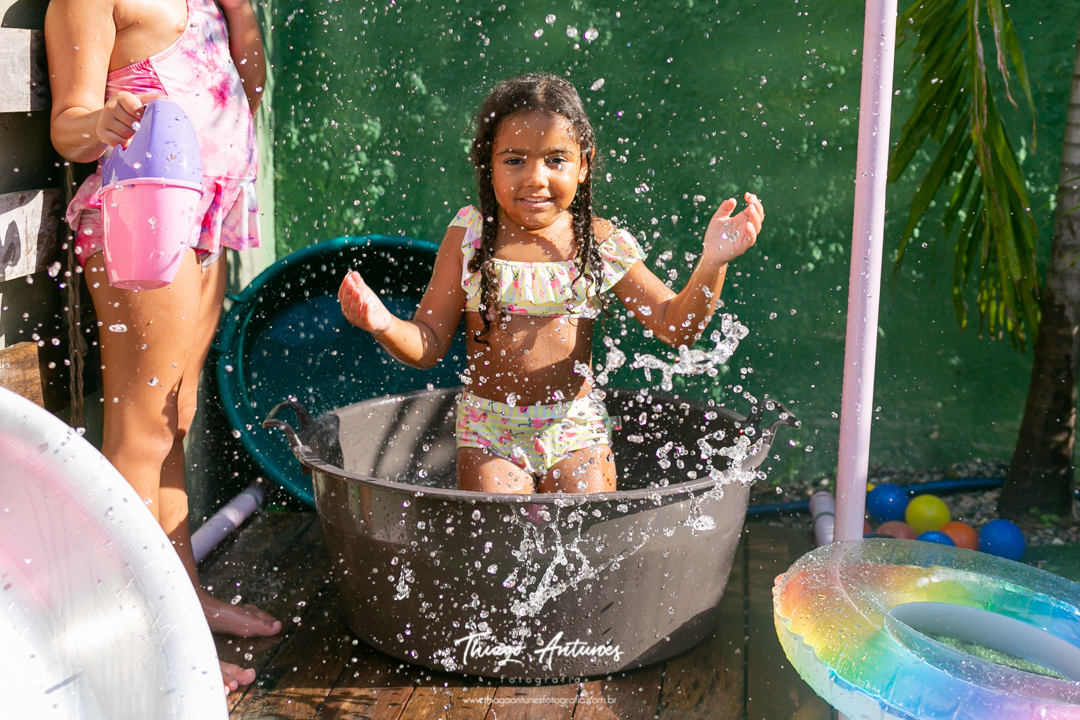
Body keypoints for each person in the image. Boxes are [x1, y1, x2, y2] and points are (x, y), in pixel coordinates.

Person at [339, 73, 764, 495]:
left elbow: (677, 327)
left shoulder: (598, 243)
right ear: (488, 165)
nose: (535, 178)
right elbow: (429, 342)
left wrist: (712, 262)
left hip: (575, 426)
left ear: (584, 166)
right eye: (514, 160)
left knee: (589, 544)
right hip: (491, 430)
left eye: (556, 160)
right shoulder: (469, 237)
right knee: (500, 543)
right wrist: (383, 323)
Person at [45, 0, 281, 694]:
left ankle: (182, 598)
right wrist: (101, 122)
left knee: (171, 420)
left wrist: (242, 16)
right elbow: (69, 125)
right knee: (141, 429)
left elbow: (254, 87)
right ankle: (135, 640)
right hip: (143, 201)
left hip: (206, 202)